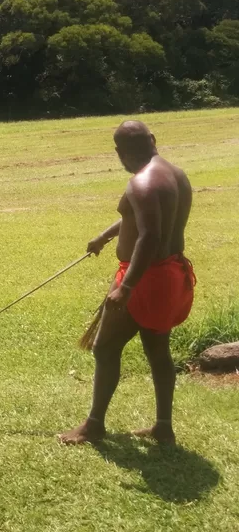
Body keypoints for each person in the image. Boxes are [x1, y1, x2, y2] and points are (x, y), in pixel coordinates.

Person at [60, 121, 195, 446]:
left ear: (119, 152)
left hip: (145, 279)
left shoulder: (140, 184)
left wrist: (127, 286)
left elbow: (150, 236)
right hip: (170, 276)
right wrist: (105, 237)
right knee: (157, 352)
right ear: (152, 140)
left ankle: (94, 425)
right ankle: (164, 427)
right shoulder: (174, 174)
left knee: (105, 347)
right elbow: (140, 218)